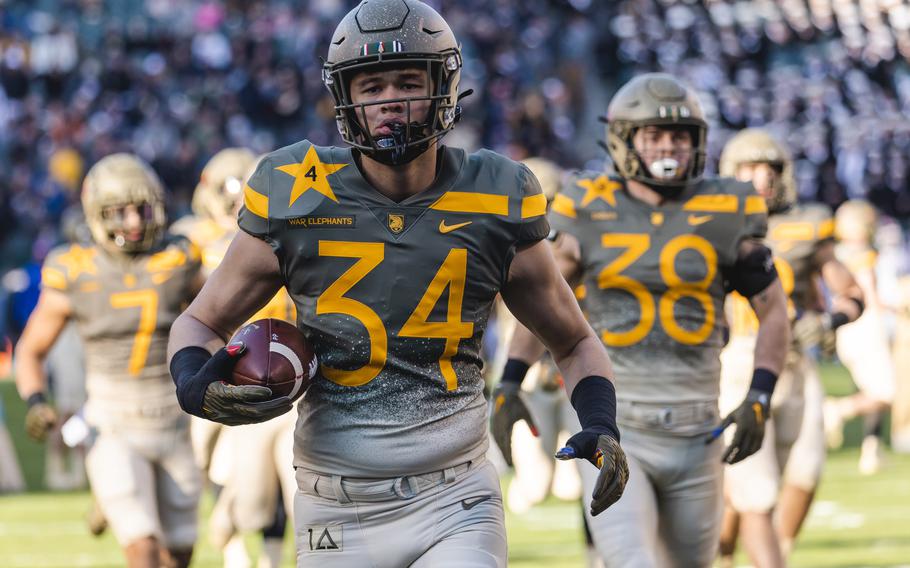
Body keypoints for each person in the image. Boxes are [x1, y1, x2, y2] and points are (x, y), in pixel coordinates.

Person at [166, 2, 628, 567]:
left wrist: (601, 422)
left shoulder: (497, 193)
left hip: (455, 494)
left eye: (409, 81)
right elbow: (200, 321)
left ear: (445, 86)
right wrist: (193, 382)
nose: (389, 99)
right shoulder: (294, 191)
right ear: (346, 98)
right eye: (371, 85)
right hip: (337, 500)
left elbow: (574, 341)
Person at [493, 73, 791, 568]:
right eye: (654, 135)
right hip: (615, 423)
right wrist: (508, 381)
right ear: (624, 138)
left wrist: (760, 393)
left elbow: (774, 308)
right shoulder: (587, 203)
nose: (669, 145)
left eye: (679, 135)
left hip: (698, 429)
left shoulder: (727, 206)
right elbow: (542, 302)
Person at [14, 153, 203, 568]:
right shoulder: (76, 268)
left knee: (181, 553)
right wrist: (34, 400)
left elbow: (219, 315)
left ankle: (109, 499)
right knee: (143, 549)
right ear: (97, 213)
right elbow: (30, 349)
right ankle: (112, 494)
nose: (135, 221)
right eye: (120, 211)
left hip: (173, 418)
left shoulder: (179, 258)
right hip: (112, 419)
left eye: (142, 208)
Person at [716, 129, 864, 566]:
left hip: (795, 361)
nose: (761, 177)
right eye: (749, 168)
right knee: (751, 487)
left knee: (805, 471)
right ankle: (727, 556)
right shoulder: (714, 224)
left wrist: (828, 319)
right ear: (731, 173)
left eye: (769, 168)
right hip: (737, 360)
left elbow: (851, 293)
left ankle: (775, 552)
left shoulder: (808, 224)